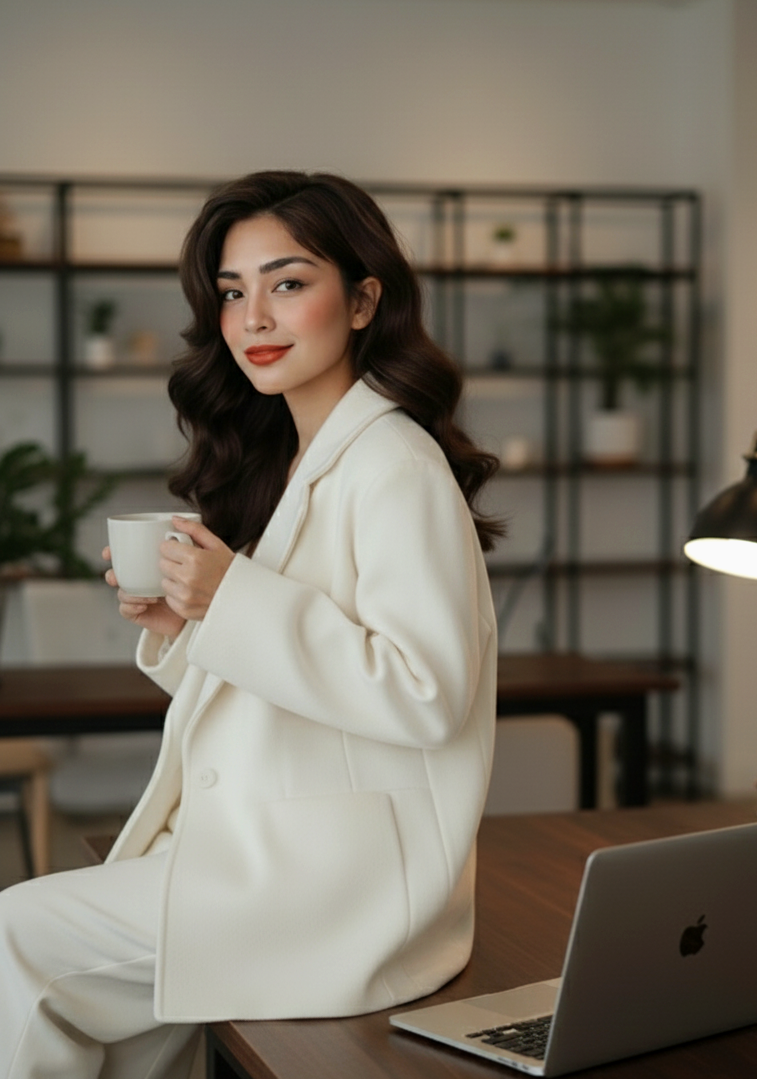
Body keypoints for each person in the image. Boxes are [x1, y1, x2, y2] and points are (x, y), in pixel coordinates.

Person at [0, 170, 502, 1079]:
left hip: (340, 886)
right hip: (278, 852)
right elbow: (302, 679)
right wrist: (190, 621)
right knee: (115, 1017)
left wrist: (229, 596)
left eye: (289, 283)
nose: (254, 319)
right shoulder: (305, 455)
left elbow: (425, 692)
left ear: (362, 300)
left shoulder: (393, 462)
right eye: (233, 293)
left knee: (15, 942)